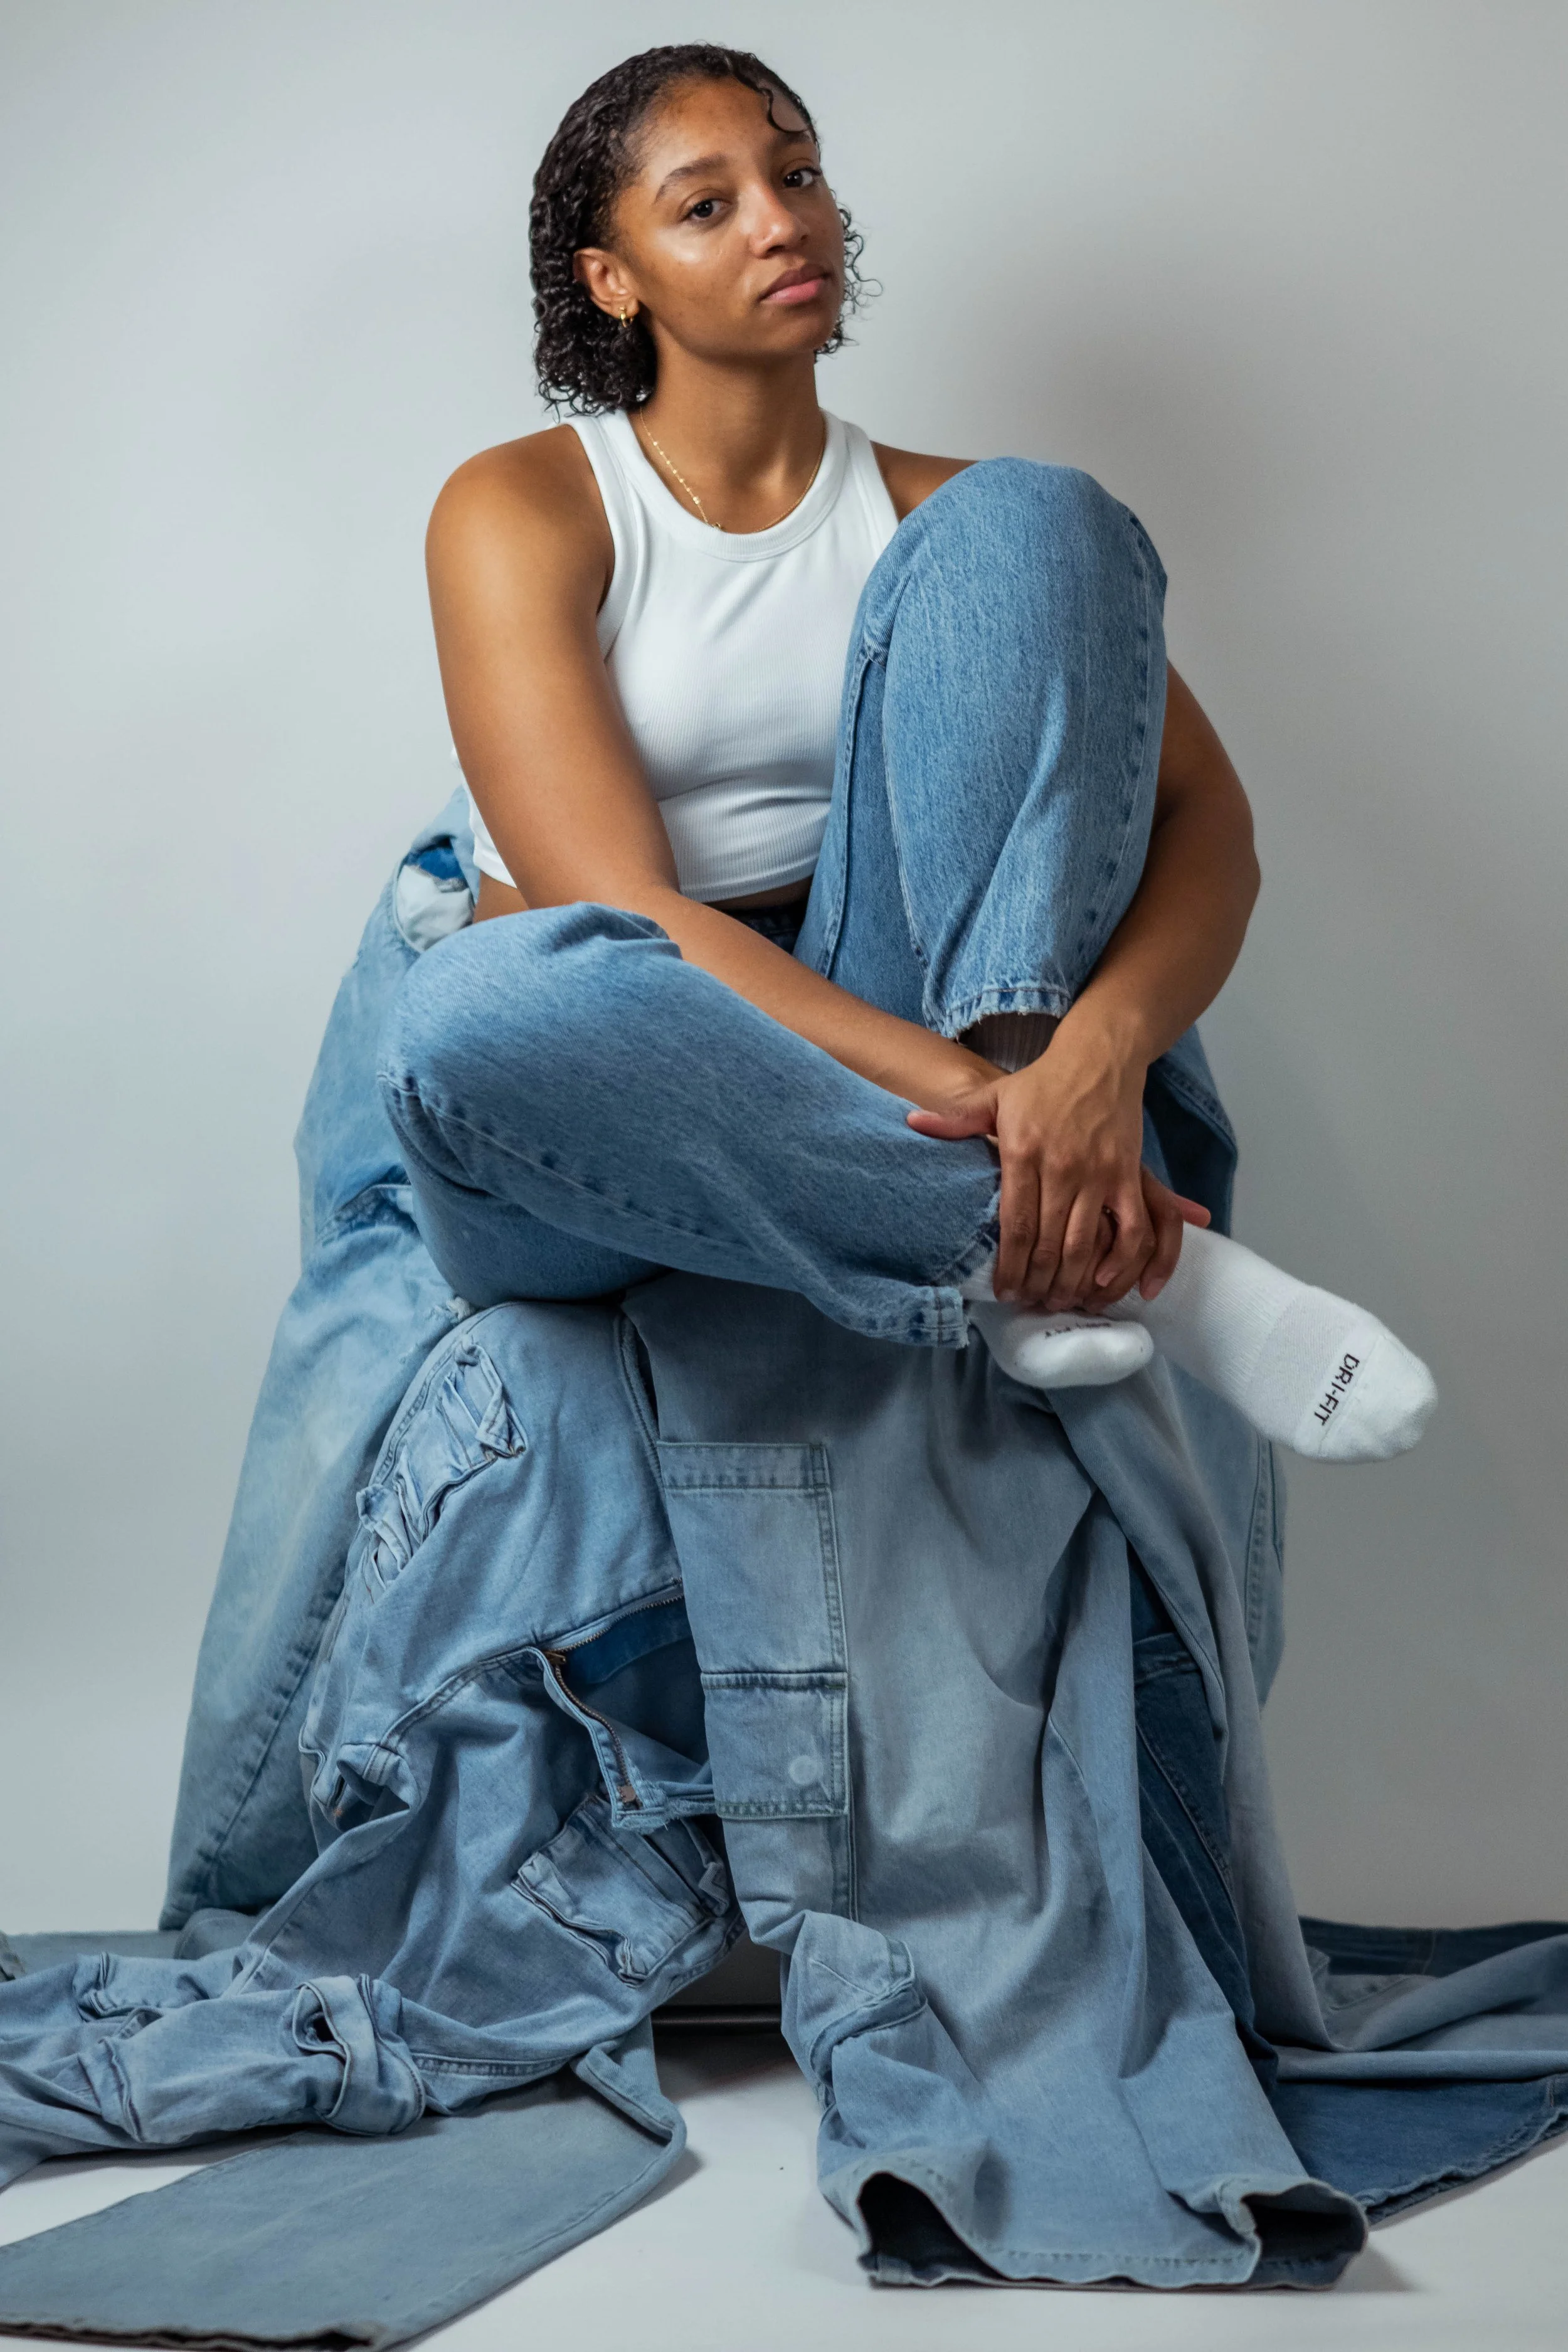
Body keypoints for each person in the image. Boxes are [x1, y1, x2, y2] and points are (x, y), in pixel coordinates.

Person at [386, 41, 1434, 1466]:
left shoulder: (950, 528)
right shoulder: (527, 505)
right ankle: (1126, 1262)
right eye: (707, 205)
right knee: (465, 1018)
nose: (780, 221)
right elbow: (618, 908)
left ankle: (1016, 1221)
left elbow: (1209, 826)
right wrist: (1005, 1123)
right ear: (611, 279)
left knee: (1035, 510)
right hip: (626, 1067)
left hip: (884, 988)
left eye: (798, 175)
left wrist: (1094, 1062)